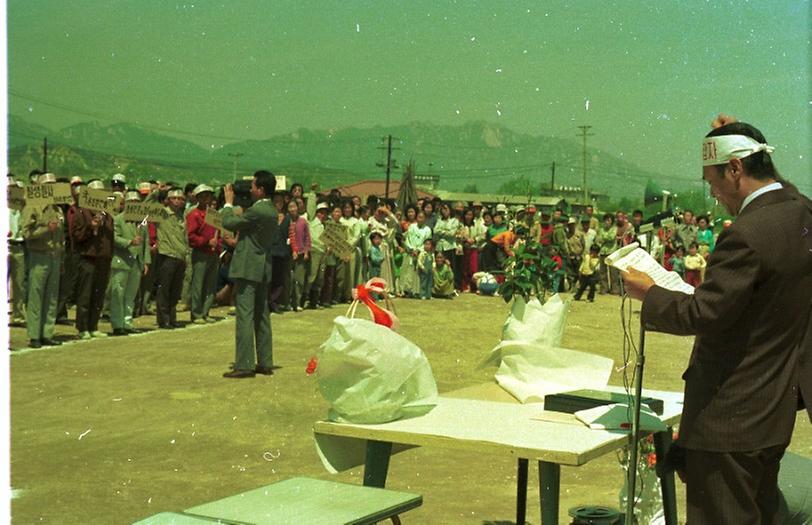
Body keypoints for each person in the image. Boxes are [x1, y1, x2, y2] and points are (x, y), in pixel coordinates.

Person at [622, 119, 812, 524]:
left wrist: (649, 292)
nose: (712, 193)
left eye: (713, 181)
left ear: (735, 170)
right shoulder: (800, 213)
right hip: (772, 414)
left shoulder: (746, 233)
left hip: (729, 421)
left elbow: (701, 312)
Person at [221, 171, 278, 378]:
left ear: (261, 189)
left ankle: (244, 364)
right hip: (262, 267)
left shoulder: (259, 210)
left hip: (248, 267)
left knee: (244, 315)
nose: (251, 189)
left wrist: (228, 203)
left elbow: (229, 223)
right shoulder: (271, 210)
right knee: (261, 315)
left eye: (253, 186)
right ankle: (265, 361)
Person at [21, 173, 65, 347]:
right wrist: (46, 229)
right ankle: (34, 335)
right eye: (48, 184)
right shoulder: (32, 206)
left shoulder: (58, 209)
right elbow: (26, 233)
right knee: (36, 296)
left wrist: (62, 259)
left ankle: (47, 333)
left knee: (51, 297)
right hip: (39, 255)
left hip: (54, 256)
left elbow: (62, 238)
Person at [72, 179, 115, 339]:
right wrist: (91, 227)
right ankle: (82, 327)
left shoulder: (107, 214)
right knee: (85, 293)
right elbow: (77, 236)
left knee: (98, 293)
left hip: (104, 258)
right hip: (88, 258)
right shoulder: (82, 212)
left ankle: (93, 325)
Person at [110, 192, 150, 335]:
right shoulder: (118, 219)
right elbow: (114, 237)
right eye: (131, 201)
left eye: (137, 201)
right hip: (122, 260)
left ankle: (127, 322)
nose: (134, 203)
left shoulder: (142, 221)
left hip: (136, 262)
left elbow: (146, 242)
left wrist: (146, 261)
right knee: (118, 293)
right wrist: (129, 242)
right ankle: (117, 323)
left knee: (130, 294)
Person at [186, 184, 221, 324]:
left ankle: (206, 311)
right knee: (198, 284)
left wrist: (216, 246)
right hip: (201, 253)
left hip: (213, 253)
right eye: (203, 195)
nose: (207, 198)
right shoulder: (193, 215)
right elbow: (191, 236)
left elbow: (219, 233)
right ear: (198, 198)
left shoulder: (214, 214)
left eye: (209, 195)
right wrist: (207, 242)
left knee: (210, 284)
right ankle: (197, 313)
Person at [155, 188, 189, 329]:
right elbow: (146, 205)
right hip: (166, 255)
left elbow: (185, 238)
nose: (178, 201)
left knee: (175, 290)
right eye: (174, 198)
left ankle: (172, 316)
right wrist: (156, 191)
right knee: (164, 289)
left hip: (179, 256)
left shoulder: (182, 216)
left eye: (180, 198)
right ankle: (164, 319)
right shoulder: (161, 213)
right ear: (168, 200)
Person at [287, 199, 312, 312]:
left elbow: (307, 237)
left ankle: (297, 302)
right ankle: (288, 302)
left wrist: (306, 251)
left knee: (299, 280)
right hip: (288, 255)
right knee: (289, 279)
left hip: (301, 254)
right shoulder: (286, 221)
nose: (292, 209)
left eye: (294, 206)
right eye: (290, 207)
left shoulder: (303, 221)